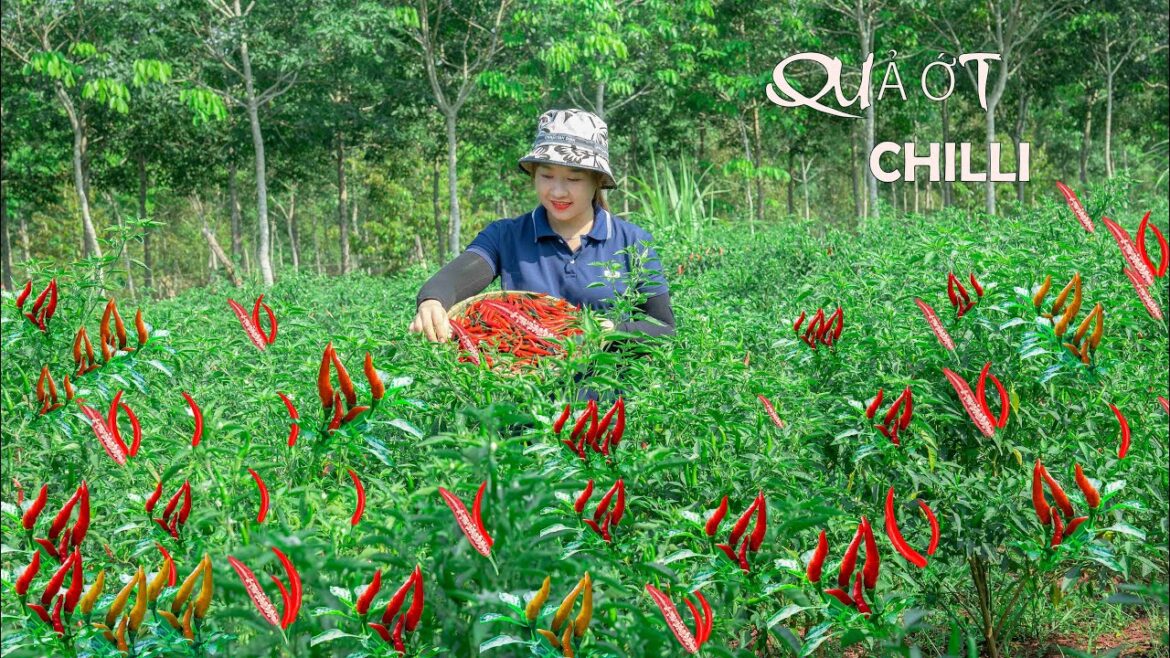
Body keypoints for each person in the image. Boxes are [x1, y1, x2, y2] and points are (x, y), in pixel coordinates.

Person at [409, 108, 676, 358]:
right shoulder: (506, 236)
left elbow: (664, 329)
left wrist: (613, 329)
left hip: (606, 402)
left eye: (573, 179)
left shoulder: (632, 242)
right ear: (534, 174)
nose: (558, 191)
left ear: (597, 181)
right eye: (546, 176)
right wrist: (432, 301)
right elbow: (453, 279)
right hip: (527, 396)